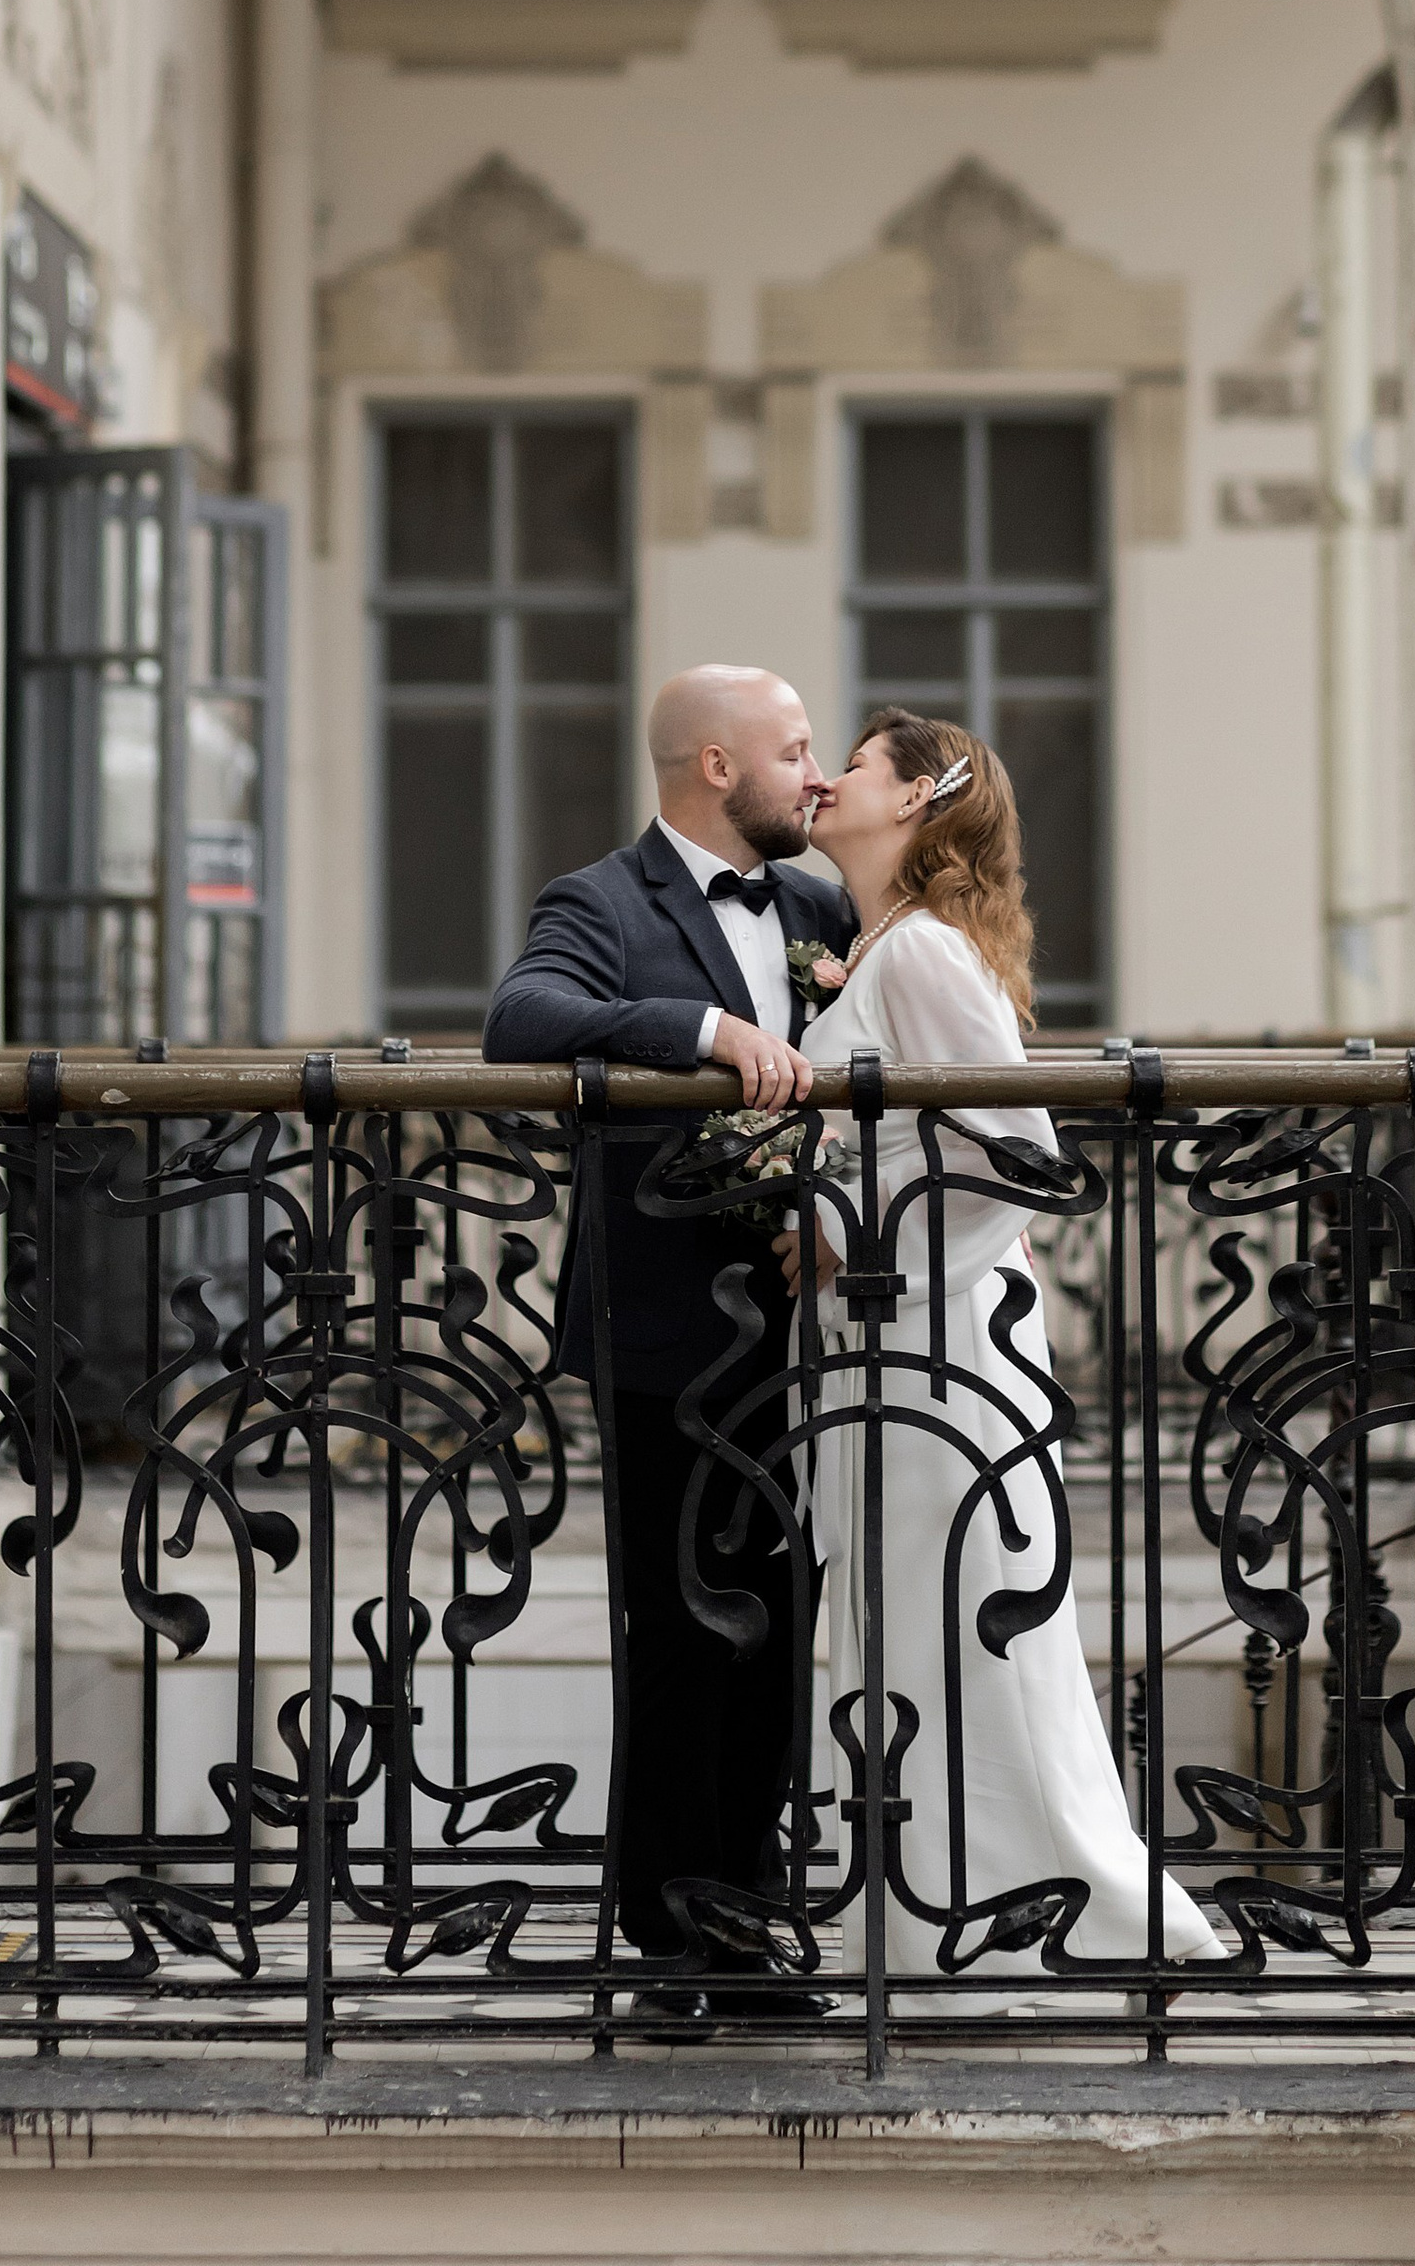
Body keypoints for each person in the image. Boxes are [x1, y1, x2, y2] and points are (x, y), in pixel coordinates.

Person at [780, 706, 1224, 1997]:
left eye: (854, 766)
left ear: (918, 798)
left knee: (963, 1620)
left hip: (938, 1337)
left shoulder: (921, 952)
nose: (826, 781)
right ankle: (927, 1922)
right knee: (901, 1623)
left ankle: (1051, 1910)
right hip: (888, 1339)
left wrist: (841, 1237)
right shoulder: (882, 949)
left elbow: (1022, 1156)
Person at [483, 662, 857, 2026]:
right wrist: (702, 1030)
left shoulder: (821, 908)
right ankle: (671, 1939)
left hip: (813, 1328)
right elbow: (519, 1021)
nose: (816, 773)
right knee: (681, 1632)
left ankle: (750, 1919)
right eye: (795, 749)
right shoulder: (599, 901)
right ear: (716, 766)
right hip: (665, 1337)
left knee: (782, 1627)